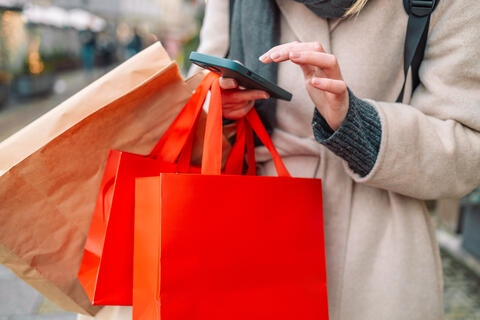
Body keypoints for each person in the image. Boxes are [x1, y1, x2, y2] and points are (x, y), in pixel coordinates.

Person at [79, 0, 480, 319]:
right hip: (242, 223)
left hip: (376, 251)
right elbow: (202, 88)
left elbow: (465, 149)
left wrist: (356, 123)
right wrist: (221, 109)